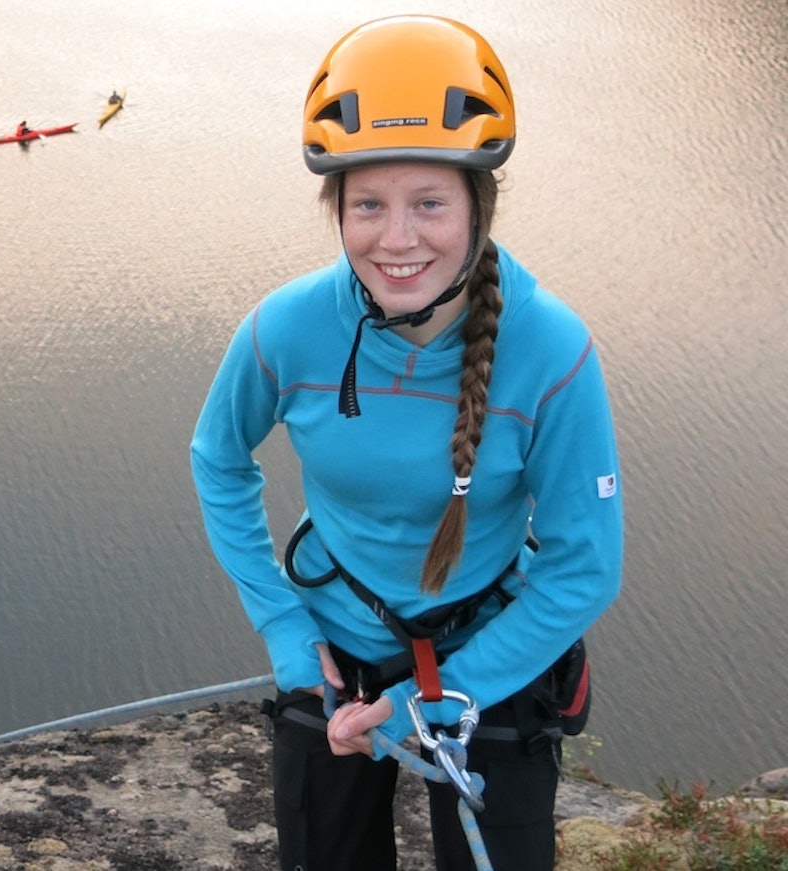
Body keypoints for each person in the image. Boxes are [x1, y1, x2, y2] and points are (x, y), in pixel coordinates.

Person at [189, 15, 623, 871]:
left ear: (478, 206)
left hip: (490, 649)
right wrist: (284, 626)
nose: (396, 240)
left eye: (429, 202)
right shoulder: (287, 328)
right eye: (368, 205)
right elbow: (218, 458)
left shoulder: (550, 352)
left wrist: (453, 692)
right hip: (336, 648)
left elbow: (584, 565)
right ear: (337, 209)